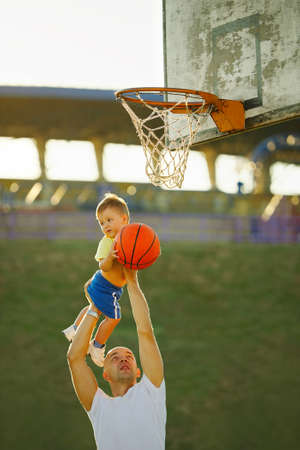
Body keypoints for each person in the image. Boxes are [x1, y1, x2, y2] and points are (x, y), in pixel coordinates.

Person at [67, 268, 166, 450]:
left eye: (129, 356)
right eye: (114, 357)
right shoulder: (99, 407)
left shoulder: (153, 392)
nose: (123, 359)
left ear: (138, 371)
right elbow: (75, 358)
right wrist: (96, 307)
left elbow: (145, 332)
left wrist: (132, 280)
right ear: (105, 375)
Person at [62, 193, 130, 367]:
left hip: (112, 288)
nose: (105, 225)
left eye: (109, 220)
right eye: (101, 222)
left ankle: (76, 328)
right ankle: (97, 346)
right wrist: (110, 257)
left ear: (124, 219)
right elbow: (103, 266)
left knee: (97, 309)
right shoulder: (107, 242)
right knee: (114, 318)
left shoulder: (129, 240)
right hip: (103, 285)